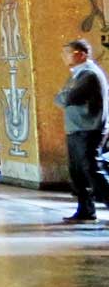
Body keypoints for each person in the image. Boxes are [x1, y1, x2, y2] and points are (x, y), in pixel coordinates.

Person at [55, 38, 109, 222]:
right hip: (76, 128)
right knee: (77, 172)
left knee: (91, 170)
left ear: (81, 54)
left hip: (88, 128)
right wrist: (64, 96)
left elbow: (69, 97)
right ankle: (86, 209)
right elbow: (60, 97)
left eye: (67, 53)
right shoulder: (75, 75)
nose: (64, 57)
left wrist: (65, 96)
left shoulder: (89, 74)